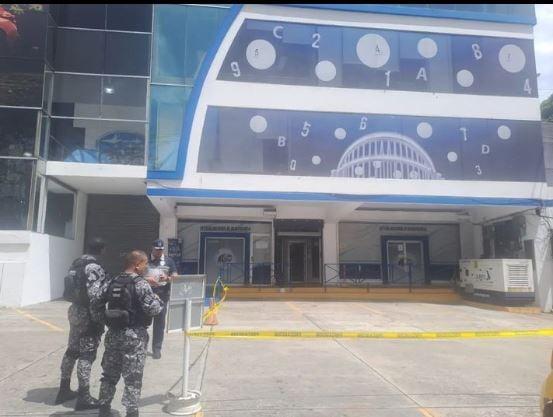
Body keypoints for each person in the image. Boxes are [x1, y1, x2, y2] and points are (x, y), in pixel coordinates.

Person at [91, 250, 163, 417]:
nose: (146, 267)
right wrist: (158, 300)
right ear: (137, 265)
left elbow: (95, 302)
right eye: (145, 264)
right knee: (133, 379)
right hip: (134, 337)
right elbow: (153, 309)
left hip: (113, 335)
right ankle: (131, 412)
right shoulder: (141, 284)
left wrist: (105, 320)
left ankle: (103, 410)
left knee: (108, 376)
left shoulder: (112, 281)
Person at [55, 237, 108, 411]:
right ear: (102, 250)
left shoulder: (76, 264)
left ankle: (63, 389)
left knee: (72, 350)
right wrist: (99, 318)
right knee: (87, 355)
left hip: (75, 311)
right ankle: (84, 396)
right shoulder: (94, 267)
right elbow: (95, 296)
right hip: (88, 315)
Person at [146, 239, 177, 359]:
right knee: (143, 322)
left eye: (161, 250)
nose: (159, 252)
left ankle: (157, 349)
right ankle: (142, 347)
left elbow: (175, 277)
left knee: (159, 324)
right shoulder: (145, 260)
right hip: (146, 295)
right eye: (157, 250)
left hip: (162, 295)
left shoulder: (169, 261)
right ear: (152, 249)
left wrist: (167, 278)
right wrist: (147, 279)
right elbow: (136, 275)